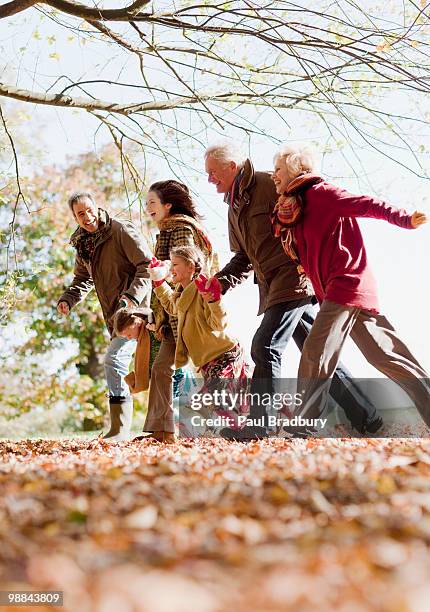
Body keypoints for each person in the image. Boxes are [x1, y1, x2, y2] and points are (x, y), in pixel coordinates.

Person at [204, 143, 383, 440]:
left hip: (294, 279)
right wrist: (220, 282)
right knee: (317, 354)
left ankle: (261, 425)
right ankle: (368, 416)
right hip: (272, 287)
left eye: (212, 172)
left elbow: (312, 214)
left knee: (265, 344)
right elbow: (243, 258)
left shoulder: (269, 185)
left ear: (232, 166)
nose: (209, 179)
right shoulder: (233, 208)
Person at [271, 144, 430, 432]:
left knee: (315, 349)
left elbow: (367, 204)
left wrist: (405, 219)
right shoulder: (296, 208)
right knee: (386, 356)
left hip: (346, 284)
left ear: (296, 168)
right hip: (341, 291)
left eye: (278, 169)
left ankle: (304, 423)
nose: (274, 175)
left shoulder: (322, 194)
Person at [57, 191, 152, 442]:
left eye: (89, 209)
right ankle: (121, 427)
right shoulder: (83, 245)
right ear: (75, 218)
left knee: (115, 359)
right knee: (139, 366)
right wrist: (68, 299)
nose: (87, 216)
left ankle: (121, 428)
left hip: (137, 313)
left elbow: (146, 266)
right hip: (115, 316)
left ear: (97, 207)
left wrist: (131, 298)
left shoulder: (120, 230)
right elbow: (82, 279)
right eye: (80, 214)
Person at [138, 180, 216, 442]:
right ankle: (162, 431)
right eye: (146, 202)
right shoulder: (167, 230)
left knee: (209, 372)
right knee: (161, 368)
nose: (147, 207)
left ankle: (231, 426)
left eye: (152, 202)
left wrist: (161, 272)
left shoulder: (180, 229)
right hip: (172, 316)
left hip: (189, 314)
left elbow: (185, 268)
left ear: (168, 205)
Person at [149, 246, 248, 434]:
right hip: (207, 360)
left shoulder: (203, 288)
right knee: (224, 400)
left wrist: (214, 300)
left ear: (191, 267)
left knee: (212, 399)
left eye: (175, 264)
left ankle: (237, 431)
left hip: (225, 354)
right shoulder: (182, 292)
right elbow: (172, 305)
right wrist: (159, 282)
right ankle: (236, 429)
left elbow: (219, 323)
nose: (171, 269)